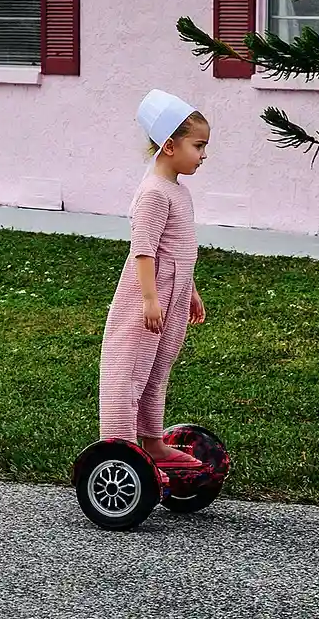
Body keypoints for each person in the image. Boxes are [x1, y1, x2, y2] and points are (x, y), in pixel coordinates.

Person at [97, 88, 209, 467]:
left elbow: (179, 250)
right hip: (150, 297)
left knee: (157, 369)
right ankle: (120, 445)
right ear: (169, 146)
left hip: (173, 298)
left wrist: (190, 291)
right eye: (198, 145)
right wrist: (148, 298)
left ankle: (152, 440)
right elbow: (144, 249)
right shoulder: (153, 194)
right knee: (129, 368)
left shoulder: (179, 192)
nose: (204, 155)